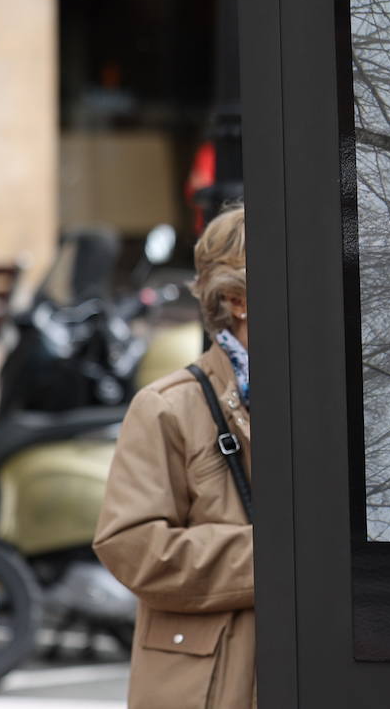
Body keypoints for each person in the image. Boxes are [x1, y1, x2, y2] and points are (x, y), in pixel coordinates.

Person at [94, 205, 255, 708]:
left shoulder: (329, 396)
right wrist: (285, 558)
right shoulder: (169, 405)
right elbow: (133, 546)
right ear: (236, 300)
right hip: (210, 686)